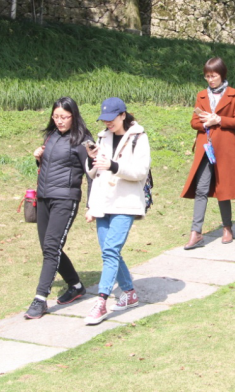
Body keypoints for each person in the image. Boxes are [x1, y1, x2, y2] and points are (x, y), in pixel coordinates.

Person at [83, 98, 151, 325]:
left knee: (111, 250)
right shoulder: (103, 137)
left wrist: (113, 165)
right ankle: (129, 292)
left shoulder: (138, 137)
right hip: (103, 202)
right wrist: (92, 159)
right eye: (104, 119)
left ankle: (101, 301)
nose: (108, 123)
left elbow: (141, 171)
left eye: (111, 118)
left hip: (126, 202)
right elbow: (94, 173)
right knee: (108, 251)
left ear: (123, 115)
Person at [24, 97, 92, 320]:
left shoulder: (83, 140)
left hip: (65, 199)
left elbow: (92, 174)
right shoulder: (51, 136)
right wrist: (38, 158)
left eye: (64, 117)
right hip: (44, 197)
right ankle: (76, 285)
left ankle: (40, 299)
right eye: (56, 116)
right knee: (48, 247)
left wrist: (91, 205)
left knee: (52, 247)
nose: (59, 121)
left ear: (74, 116)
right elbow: (51, 166)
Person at [181, 57, 235, 250]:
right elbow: (194, 122)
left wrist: (218, 119)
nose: (210, 80)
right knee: (201, 189)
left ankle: (227, 227)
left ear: (222, 75)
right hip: (206, 148)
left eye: (214, 76)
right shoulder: (202, 95)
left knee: (223, 188)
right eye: (207, 76)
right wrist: (205, 123)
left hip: (225, 148)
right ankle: (196, 233)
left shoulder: (234, 94)